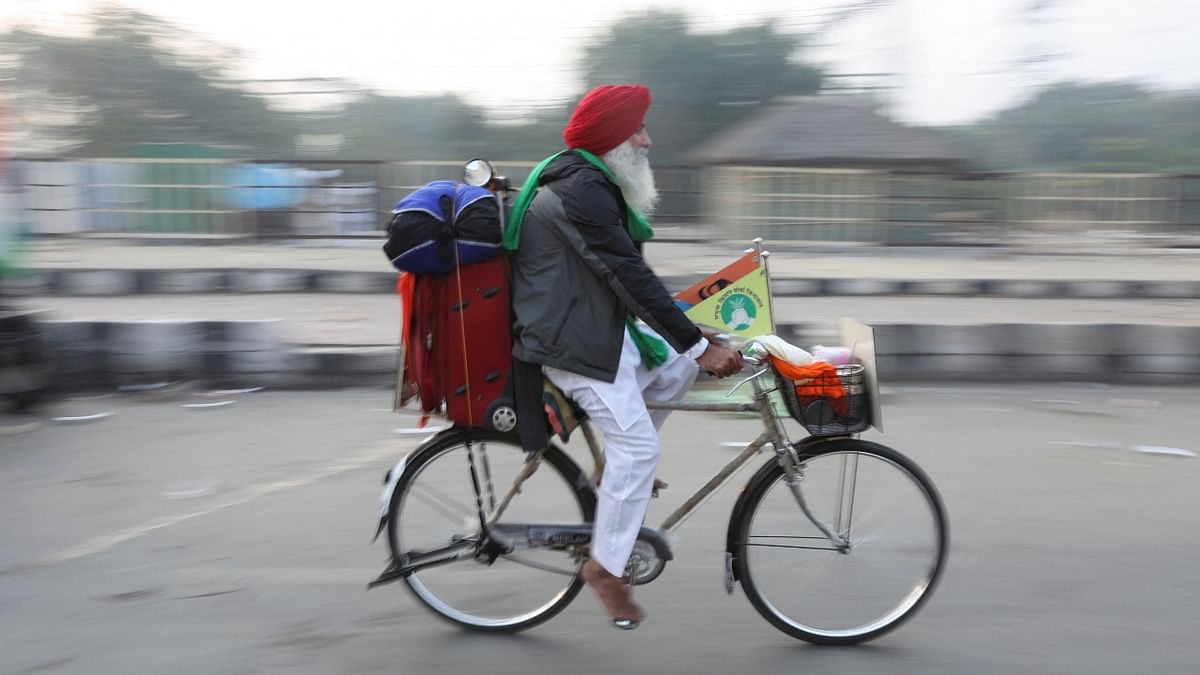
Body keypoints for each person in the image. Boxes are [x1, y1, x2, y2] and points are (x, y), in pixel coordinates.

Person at [506, 84, 744, 628]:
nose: (648, 138)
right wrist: (701, 343)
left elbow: (628, 278)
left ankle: (613, 463)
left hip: (591, 327)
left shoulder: (587, 180)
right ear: (612, 138)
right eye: (637, 129)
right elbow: (627, 275)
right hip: (568, 343)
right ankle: (605, 569)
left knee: (677, 365)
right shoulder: (582, 189)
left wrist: (692, 340)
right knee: (640, 447)